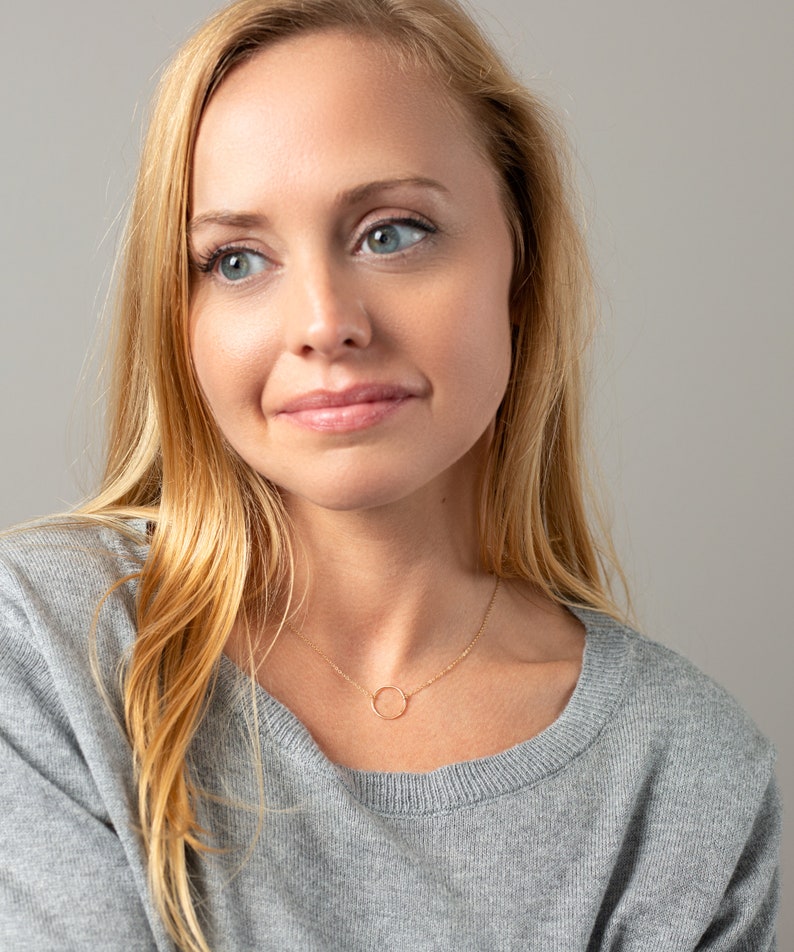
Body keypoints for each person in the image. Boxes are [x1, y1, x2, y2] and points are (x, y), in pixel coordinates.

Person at [0, 0, 780, 949]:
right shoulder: (43, 648)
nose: (325, 323)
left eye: (392, 232)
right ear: (183, 318)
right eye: (237, 259)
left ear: (519, 262)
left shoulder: (685, 769)